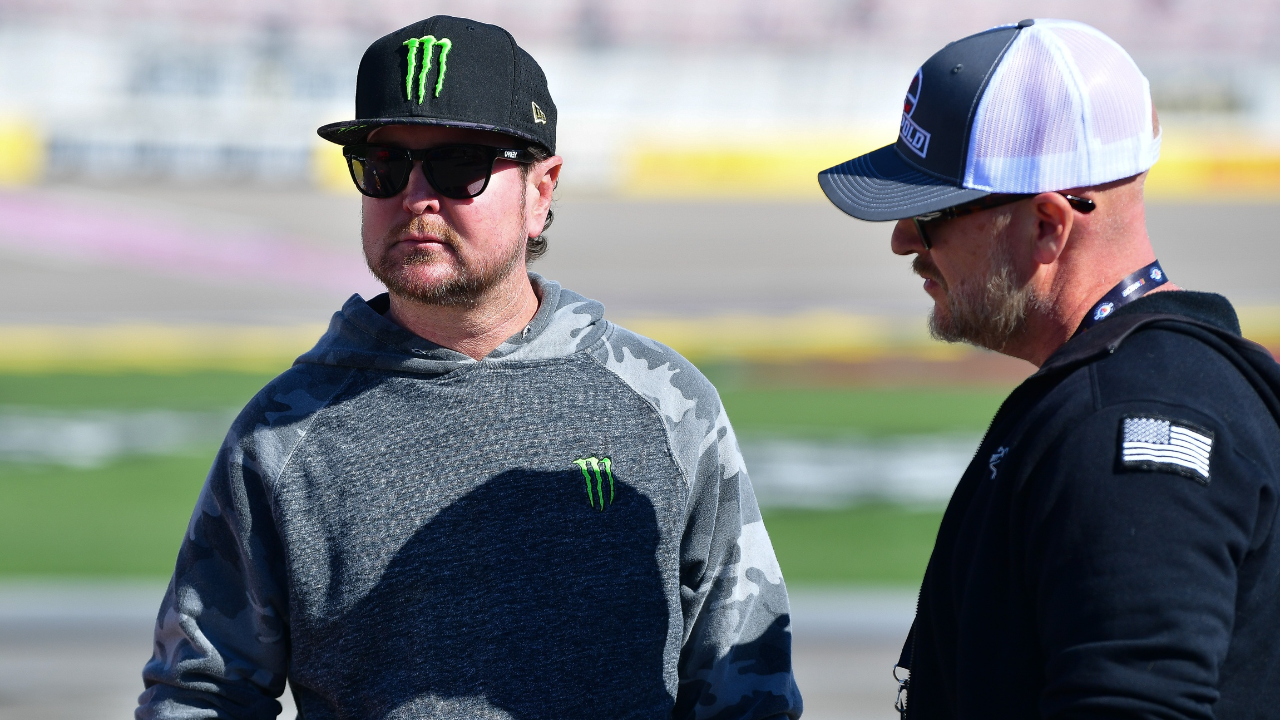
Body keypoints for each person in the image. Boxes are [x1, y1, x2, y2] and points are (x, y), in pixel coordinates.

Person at [136, 16, 801, 720]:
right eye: (383, 164)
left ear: (541, 192)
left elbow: (743, 684)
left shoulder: (665, 406)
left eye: (460, 165)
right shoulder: (284, 435)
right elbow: (201, 694)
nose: (416, 197)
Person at [818, 18, 1280, 720]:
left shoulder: (1125, 424)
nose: (902, 239)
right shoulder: (1147, 382)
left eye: (931, 213)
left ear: (1046, 225)